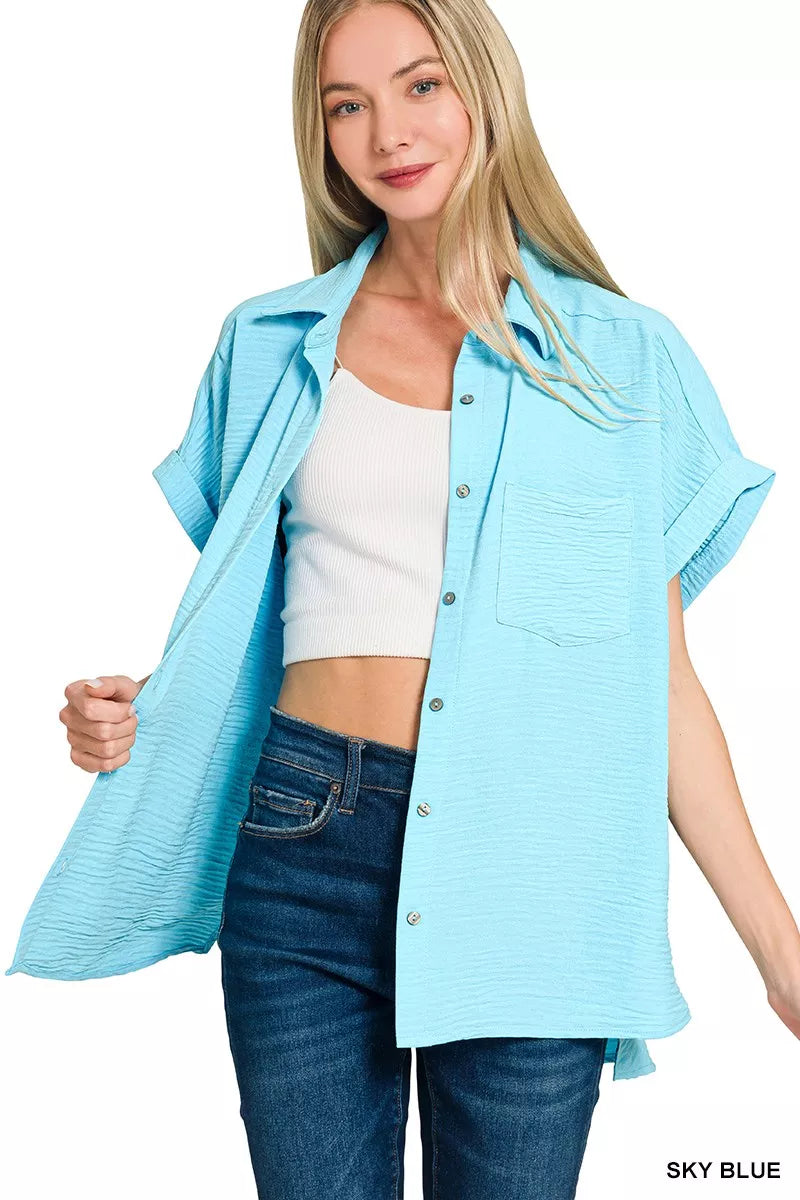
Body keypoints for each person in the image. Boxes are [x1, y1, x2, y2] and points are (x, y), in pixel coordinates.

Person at [7, 2, 798, 1198]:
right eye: (348, 105)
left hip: (534, 862)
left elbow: (660, 685)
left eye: (420, 85)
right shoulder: (267, 344)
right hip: (302, 835)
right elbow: (267, 624)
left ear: (483, 90)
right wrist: (134, 710)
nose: (387, 133)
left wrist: (778, 954)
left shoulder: (624, 361)